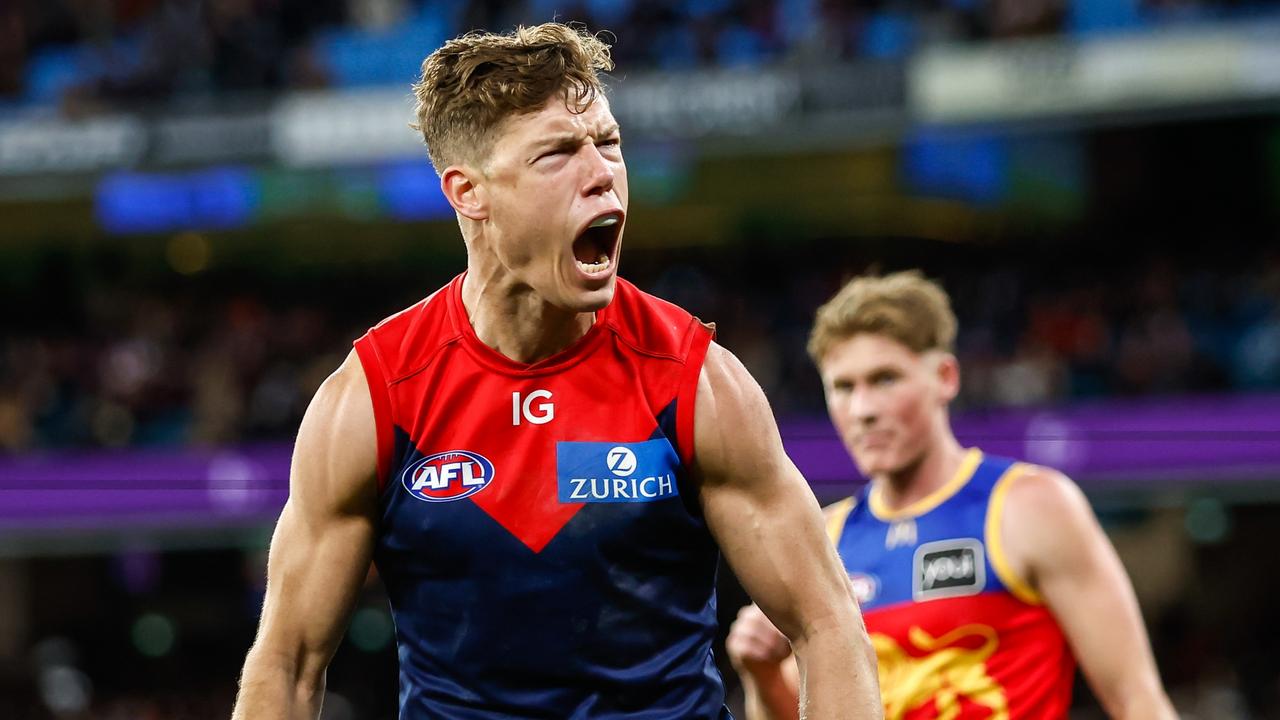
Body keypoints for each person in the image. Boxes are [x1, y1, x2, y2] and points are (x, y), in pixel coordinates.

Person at [231, 23, 881, 720]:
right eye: (559, 153)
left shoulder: (694, 379)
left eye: (608, 143)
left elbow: (827, 622)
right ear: (468, 192)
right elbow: (289, 662)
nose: (602, 173)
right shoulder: (374, 396)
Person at [726, 271, 1178, 720]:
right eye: (843, 387)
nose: (863, 410)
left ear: (944, 377)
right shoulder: (825, 536)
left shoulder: (1031, 507)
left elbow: (1138, 702)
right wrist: (761, 675)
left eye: (885, 379)